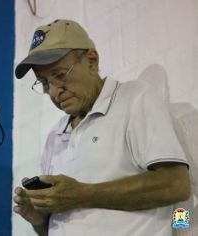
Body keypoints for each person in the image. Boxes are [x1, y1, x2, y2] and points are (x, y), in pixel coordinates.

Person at [13, 19, 191, 236]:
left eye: (60, 75)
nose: (53, 92)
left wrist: (82, 194)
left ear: (91, 61)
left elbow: (176, 184)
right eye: (44, 82)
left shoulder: (134, 99)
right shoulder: (55, 135)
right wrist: (39, 219)